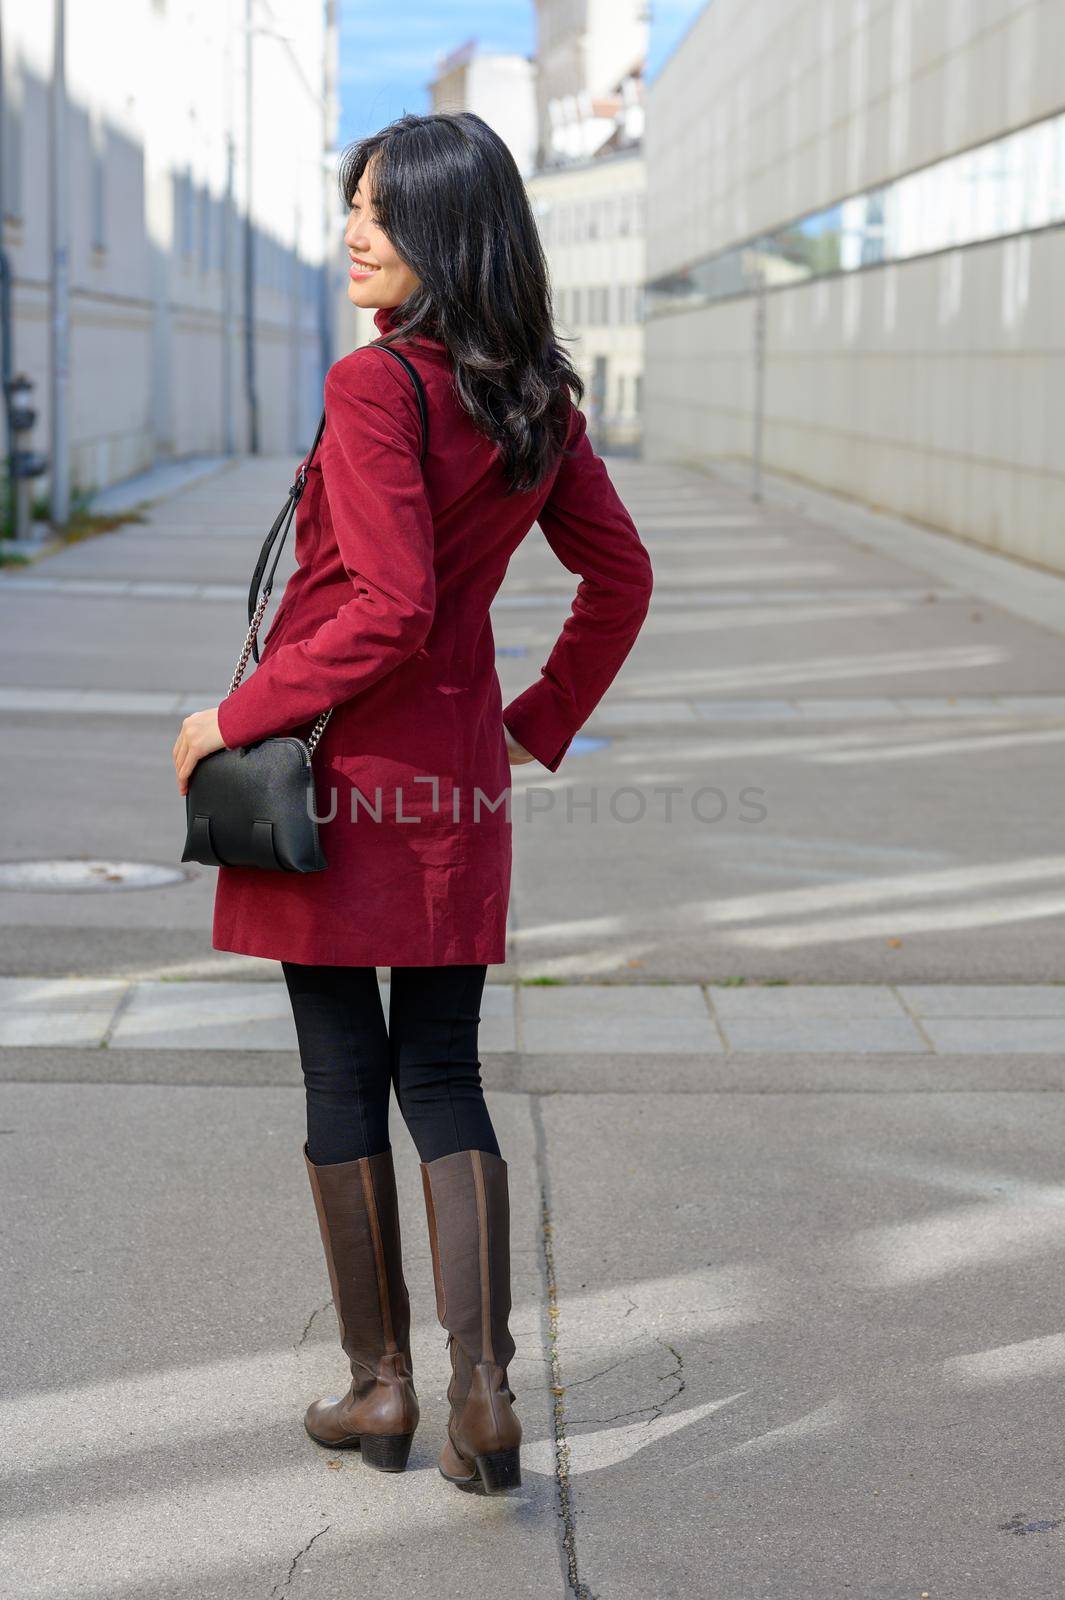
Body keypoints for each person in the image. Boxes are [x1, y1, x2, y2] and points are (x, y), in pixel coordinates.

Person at [171, 111, 653, 1497]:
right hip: (451, 786)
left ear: (449, 230)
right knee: (440, 1072)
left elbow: (382, 606)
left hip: (330, 778)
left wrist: (230, 718)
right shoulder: (535, 401)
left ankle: (383, 1389)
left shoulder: (375, 387)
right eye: (352, 203)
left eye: (381, 210)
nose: (354, 230)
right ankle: (483, 1402)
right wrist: (530, 724)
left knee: (341, 1073)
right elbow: (619, 583)